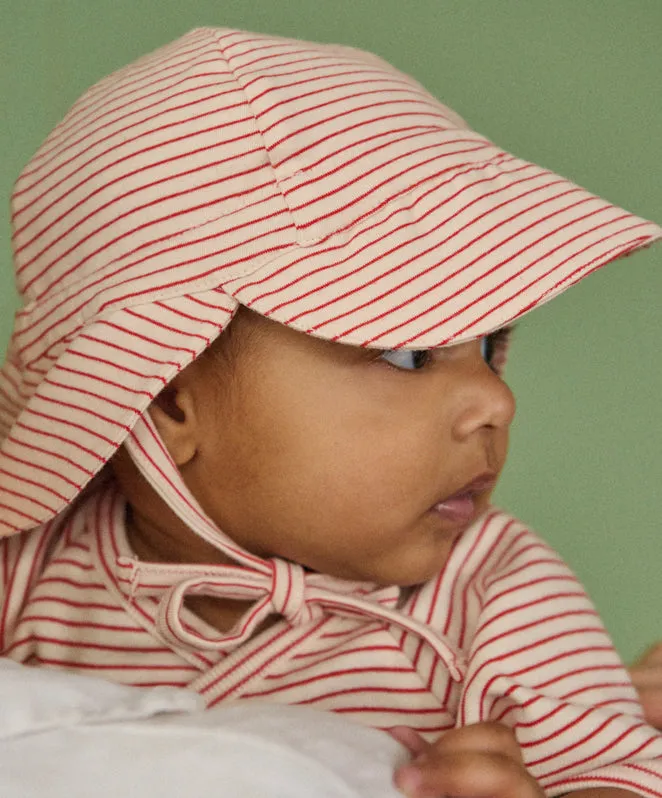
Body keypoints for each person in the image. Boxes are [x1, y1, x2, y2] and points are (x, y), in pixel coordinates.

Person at [0, 27, 660, 798]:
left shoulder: (492, 591)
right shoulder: (36, 573)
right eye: (407, 352)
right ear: (170, 397)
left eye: (490, 345)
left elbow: (619, 779)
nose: (496, 399)